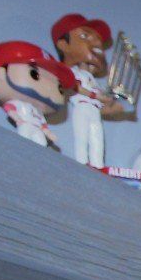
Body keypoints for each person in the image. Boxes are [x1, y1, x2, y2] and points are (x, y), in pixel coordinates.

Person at [51, 14, 122, 168]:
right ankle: (81, 162)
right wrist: (94, 95)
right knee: (82, 137)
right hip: (82, 106)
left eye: (98, 40)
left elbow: (101, 96)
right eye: (85, 36)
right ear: (63, 45)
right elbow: (74, 86)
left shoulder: (91, 77)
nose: (96, 44)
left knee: (97, 137)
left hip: (94, 109)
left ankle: (98, 165)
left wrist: (110, 99)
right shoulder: (72, 72)